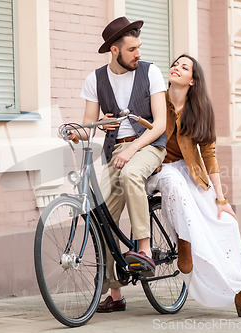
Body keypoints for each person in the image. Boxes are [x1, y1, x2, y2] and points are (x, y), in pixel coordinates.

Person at [146, 54, 241, 319]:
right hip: (159, 168)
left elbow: (210, 155)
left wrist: (221, 200)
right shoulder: (156, 99)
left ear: (193, 80)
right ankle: (185, 242)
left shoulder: (199, 109)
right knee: (173, 182)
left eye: (184, 67)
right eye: (175, 64)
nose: (176, 68)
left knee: (226, 224)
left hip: (191, 172)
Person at [69, 17, 167, 313]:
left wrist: (132, 150)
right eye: (132, 49)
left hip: (148, 146)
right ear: (115, 50)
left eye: (139, 47)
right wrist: (79, 131)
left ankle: (145, 249)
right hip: (116, 152)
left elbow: (160, 123)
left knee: (132, 174)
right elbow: (90, 125)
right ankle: (115, 293)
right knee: (103, 221)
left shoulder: (151, 72)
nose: (138, 53)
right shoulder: (95, 79)